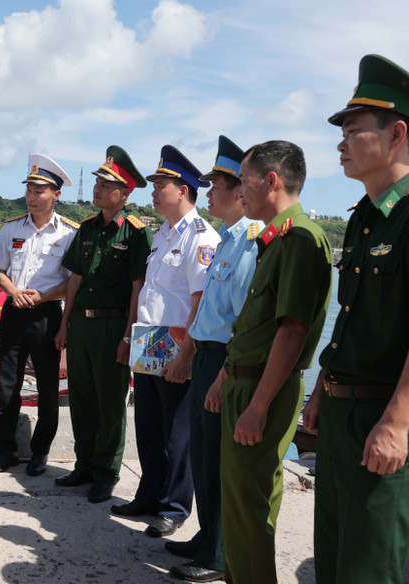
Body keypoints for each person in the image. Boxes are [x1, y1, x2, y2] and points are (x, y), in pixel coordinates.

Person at [303, 54, 409, 584]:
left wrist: (395, 424)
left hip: (387, 416)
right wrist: (321, 390)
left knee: (368, 570)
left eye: (353, 131)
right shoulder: (364, 218)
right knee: (331, 561)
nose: (341, 142)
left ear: (396, 134)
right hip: (343, 416)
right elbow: (350, 319)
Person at [216, 140, 332, 584]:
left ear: (271, 180)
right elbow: (258, 327)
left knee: (250, 504)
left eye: (244, 181)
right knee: (239, 500)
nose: (239, 191)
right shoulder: (276, 238)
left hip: (265, 387)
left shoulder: (300, 238)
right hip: (245, 381)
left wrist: (259, 404)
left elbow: (292, 330)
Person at [114, 145, 220, 540]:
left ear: (185, 190)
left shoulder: (200, 237)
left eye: (162, 185)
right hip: (149, 339)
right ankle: (150, 494)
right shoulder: (160, 234)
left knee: (178, 434)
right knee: (149, 427)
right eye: (155, 184)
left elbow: (199, 302)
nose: (154, 191)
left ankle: (174, 507)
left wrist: (186, 355)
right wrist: (129, 336)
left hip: (177, 342)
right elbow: (148, 294)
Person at [165, 136, 258, 582]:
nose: (209, 193)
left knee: (221, 462)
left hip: (224, 360)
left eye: (215, 184)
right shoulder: (225, 241)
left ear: (240, 190)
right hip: (205, 356)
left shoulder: (252, 242)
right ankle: (207, 535)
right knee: (203, 457)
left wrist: (223, 374)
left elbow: (242, 320)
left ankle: (219, 554)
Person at [54, 146, 152, 503]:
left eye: (105, 183)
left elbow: (136, 291)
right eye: (96, 181)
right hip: (82, 325)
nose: (97, 188)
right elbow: (74, 280)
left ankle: (106, 472)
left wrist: (128, 335)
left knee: (111, 401)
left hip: (114, 327)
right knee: (81, 397)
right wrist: (64, 325)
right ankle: (83, 464)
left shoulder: (136, 234)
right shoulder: (86, 229)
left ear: (124, 193)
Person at [0, 154, 78, 476]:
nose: (32, 197)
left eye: (40, 191)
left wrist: (42, 295)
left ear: (56, 195)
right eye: (29, 190)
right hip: (13, 312)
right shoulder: (11, 228)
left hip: (47, 315)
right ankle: (5, 450)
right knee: (8, 386)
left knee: (48, 387)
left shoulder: (68, 233)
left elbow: (72, 280)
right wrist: (13, 292)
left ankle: (40, 452)